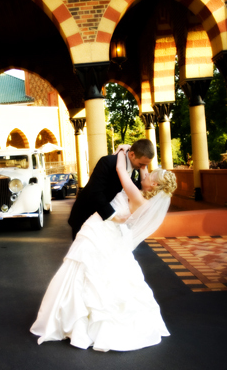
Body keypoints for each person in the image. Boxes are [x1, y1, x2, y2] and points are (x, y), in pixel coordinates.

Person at [30, 147, 177, 352]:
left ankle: (78, 320)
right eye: (145, 167)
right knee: (97, 273)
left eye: (149, 172)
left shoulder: (135, 193)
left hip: (102, 227)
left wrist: (121, 152)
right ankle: (86, 316)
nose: (145, 170)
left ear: (153, 184)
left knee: (85, 270)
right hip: (109, 230)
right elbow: (142, 175)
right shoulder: (146, 197)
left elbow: (120, 169)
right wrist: (138, 163)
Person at [68, 139, 155, 240]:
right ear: (132, 155)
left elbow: (137, 190)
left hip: (109, 225)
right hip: (87, 218)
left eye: (146, 165)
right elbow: (95, 193)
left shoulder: (136, 167)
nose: (143, 168)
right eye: (141, 164)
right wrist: (114, 217)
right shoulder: (108, 162)